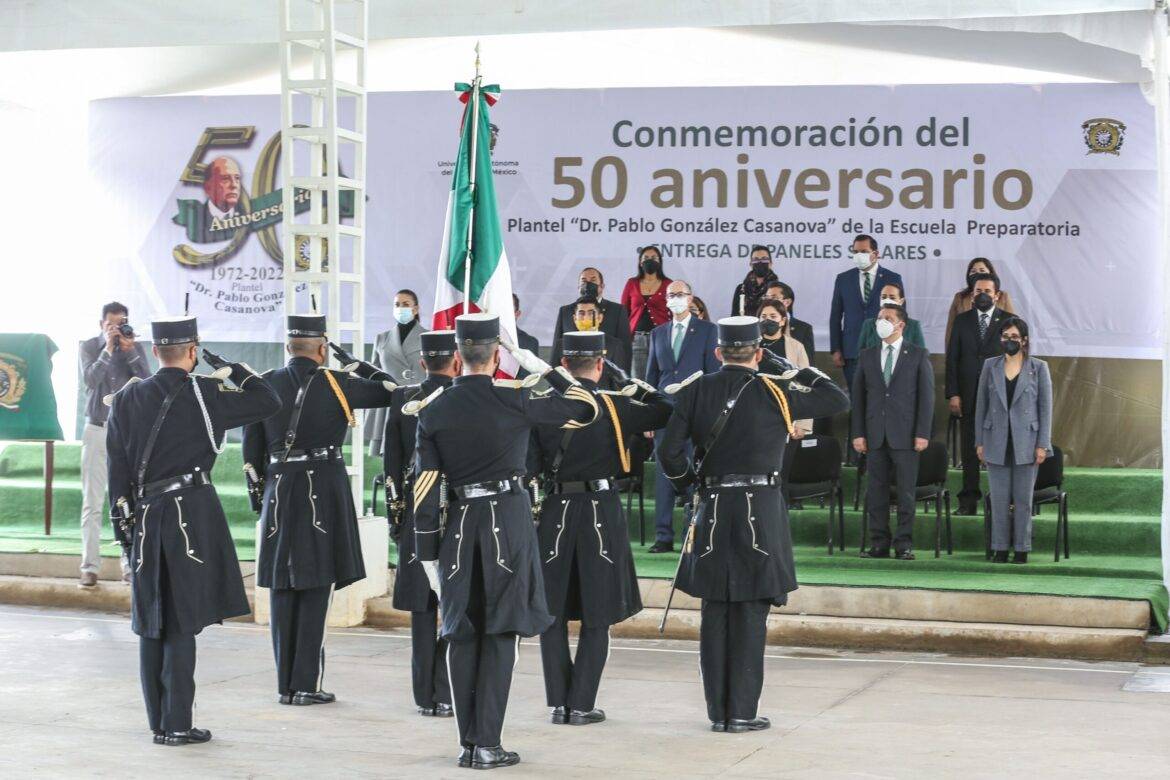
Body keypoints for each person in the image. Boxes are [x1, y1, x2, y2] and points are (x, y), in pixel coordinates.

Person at [411, 313, 599, 770]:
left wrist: (427, 554)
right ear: (497, 356)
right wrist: (539, 366)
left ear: (457, 358)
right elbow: (585, 407)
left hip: (458, 525)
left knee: (461, 633)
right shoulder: (515, 398)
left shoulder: (433, 408)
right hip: (507, 524)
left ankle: (468, 743)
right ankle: (488, 742)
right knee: (501, 632)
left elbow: (426, 487)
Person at [658, 316, 849, 733]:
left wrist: (690, 484)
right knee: (750, 611)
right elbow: (835, 398)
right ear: (758, 353)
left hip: (712, 505)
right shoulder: (774, 389)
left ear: (717, 352)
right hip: (759, 507)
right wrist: (785, 365)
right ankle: (742, 712)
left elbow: (668, 451)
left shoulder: (697, 391)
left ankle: (717, 712)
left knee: (714, 609)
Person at [106, 316, 281, 746]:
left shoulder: (127, 399)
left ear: (154, 351)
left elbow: (116, 472)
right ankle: (179, 724)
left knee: (152, 619)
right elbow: (268, 400)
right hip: (189, 513)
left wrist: (124, 531)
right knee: (181, 620)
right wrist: (231, 368)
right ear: (192, 351)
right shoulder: (207, 394)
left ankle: (159, 723)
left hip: (144, 516)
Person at [242, 315, 398, 708]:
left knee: (281, 585)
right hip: (320, 489)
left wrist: (261, 498)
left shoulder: (266, 384)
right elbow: (391, 391)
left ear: (288, 346)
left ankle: (285, 684)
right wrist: (358, 366)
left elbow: (251, 447)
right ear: (323, 348)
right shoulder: (336, 382)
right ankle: (306, 683)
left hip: (278, 487)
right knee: (314, 583)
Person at [530, 331, 671, 726]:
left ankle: (559, 701)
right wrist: (628, 382)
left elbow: (528, 463)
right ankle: (582, 703)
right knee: (598, 608)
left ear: (562, 364)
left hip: (555, 508)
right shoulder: (613, 404)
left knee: (553, 609)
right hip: (599, 509)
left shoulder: (541, 406)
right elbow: (665, 408)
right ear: (600, 362)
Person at [382, 330, 461, 717]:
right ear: (456, 360)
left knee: (422, 609)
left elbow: (391, 467)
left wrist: (396, 517)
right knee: (454, 602)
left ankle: (423, 694)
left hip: (416, 509)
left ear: (422, 362)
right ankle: (445, 690)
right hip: (457, 510)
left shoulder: (402, 398)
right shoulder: (464, 399)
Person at [851, 305, 934, 560]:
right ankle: (879, 543)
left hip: (907, 435)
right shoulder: (867, 355)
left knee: (906, 492)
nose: (881, 322)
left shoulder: (918, 355)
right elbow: (859, 398)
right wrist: (858, 433)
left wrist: (922, 433)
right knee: (876, 492)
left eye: (888, 318)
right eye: (879, 318)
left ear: (901, 325)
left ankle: (904, 544)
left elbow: (926, 397)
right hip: (875, 434)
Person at [78, 301, 150, 587]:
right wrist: (108, 349)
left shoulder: (134, 347)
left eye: (122, 323)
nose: (117, 329)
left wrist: (130, 350)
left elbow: (146, 381)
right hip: (96, 428)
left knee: (126, 499)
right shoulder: (88, 346)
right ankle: (89, 566)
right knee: (92, 501)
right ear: (101, 324)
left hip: (127, 432)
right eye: (112, 324)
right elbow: (90, 379)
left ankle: (129, 564)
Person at [645, 280, 719, 553]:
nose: (675, 299)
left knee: (694, 472)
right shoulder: (658, 333)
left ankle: (694, 531)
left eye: (680, 294)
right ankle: (663, 536)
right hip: (665, 413)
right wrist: (648, 417)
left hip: (696, 412)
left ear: (690, 299)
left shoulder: (708, 331)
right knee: (665, 474)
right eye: (670, 295)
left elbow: (713, 374)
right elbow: (651, 377)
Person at [975, 317, 1052, 564]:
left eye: (1015, 337)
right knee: (998, 500)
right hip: (995, 440)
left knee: (1022, 500)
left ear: (1024, 340)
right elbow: (981, 406)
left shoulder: (1039, 368)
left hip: (1026, 442)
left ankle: (1021, 548)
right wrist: (979, 441)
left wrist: (1043, 444)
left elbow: (1045, 409)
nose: (1010, 341)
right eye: (1006, 337)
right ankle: (999, 547)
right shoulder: (990, 366)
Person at [946, 272, 1011, 515]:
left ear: (997, 295)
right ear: (971, 295)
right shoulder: (962, 321)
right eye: (978, 292)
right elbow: (952, 359)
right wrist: (953, 393)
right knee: (970, 450)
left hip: (1000, 397)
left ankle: (1000, 500)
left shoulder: (1009, 321)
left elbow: (1017, 361)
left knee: (1000, 449)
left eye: (987, 291)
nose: (982, 295)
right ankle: (968, 501)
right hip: (968, 395)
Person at [829, 235, 903, 391]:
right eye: (855, 252)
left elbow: (900, 315)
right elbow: (835, 316)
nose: (858, 256)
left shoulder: (892, 278)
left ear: (875, 254)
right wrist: (836, 348)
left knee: (880, 397)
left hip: (882, 348)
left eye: (863, 251)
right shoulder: (843, 279)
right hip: (852, 351)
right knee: (856, 399)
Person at [367, 289, 427, 456]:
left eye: (406, 304)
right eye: (397, 305)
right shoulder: (381, 338)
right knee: (391, 461)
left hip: (419, 403)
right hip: (389, 402)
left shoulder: (428, 337)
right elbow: (373, 374)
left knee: (420, 456)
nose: (401, 308)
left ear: (415, 309)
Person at [549, 267, 632, 370]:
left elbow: (625, 349)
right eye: (583, 281)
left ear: (602, 286)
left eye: (593, 280)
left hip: (606, 374)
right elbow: (557, 347)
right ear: (578, 287)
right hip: (571, 373)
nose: (588, 284)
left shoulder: (617, 310)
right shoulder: (566, 311)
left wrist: (624, 379)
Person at [757, 300, 811, 438]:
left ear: (783, 321)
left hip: (785, 412)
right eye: (763, 316)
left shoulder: (796, 347)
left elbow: (805, 384)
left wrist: (803, 424)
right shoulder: (750, 346)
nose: (767, 320)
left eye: (773, 316)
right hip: (755, 410)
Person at [620, 245, 671, 381]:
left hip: (662, 338)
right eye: (646, 258)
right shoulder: (632, 283)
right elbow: (623, 312)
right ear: (640, 262)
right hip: (637, 339)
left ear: (659, 261)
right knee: (639, 380)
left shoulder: (668, 284)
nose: (650, 260)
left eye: (653, 258)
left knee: (661, 378)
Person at [945, 258, 1017, 346]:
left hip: (996, 350)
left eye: (982, 270)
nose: (977, 274)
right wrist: (949, 353)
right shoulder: (960, 297)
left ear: (990, 273)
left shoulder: (1003, 296)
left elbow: (1012, 326)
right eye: (973, 271)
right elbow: (951, 329)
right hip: (967, 351)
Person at [565, 295, 629, 388]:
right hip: (569, 398)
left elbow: (619, 381)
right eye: (581, 313)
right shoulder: (563, 344)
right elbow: (554, 378)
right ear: (575, 318)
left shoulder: (614, 344)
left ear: (600, 317)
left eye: (591, 313)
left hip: (602, 398)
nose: (586, 317)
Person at [856, 282, 925, 351]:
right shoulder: (868, 324)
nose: (887, 300)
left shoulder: (913, 326)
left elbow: (921, 355)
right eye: (884, 297)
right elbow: (860, 354)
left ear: (901, 301)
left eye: (892, 298)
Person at [762, 281, 815, 362]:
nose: (768, 301)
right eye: (767, 297)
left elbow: (808, 363)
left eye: (773, 297)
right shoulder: (757, 326)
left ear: (787, 302)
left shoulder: (803, 329)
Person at [729, 245, 779, 316]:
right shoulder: (741, 289)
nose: (760, 262)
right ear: (751, 264)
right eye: (756, 260)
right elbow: (734, 317)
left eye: (764, 259)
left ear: (770, 264)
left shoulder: (777, 289)